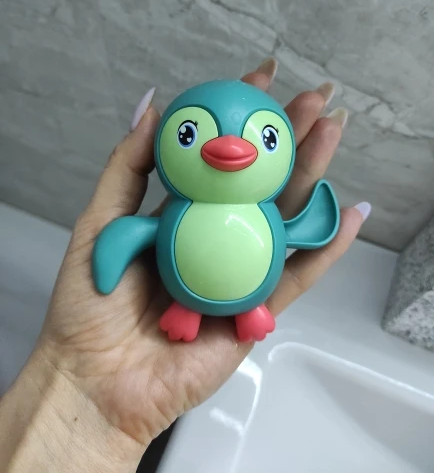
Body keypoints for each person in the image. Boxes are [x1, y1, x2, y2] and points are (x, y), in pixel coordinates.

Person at [0, 59, 370, 472]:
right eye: (190, 134)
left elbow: (294, 232)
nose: (230, 147)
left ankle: (244, 309)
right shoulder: (183, 211)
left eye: (266, 137)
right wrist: (109, 261)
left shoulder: (263, 212)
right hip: (182, 297)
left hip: (248, 295)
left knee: (246, 298)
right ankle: (195, 309)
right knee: (192, 300)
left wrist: (313, 225)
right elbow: (134, 233)